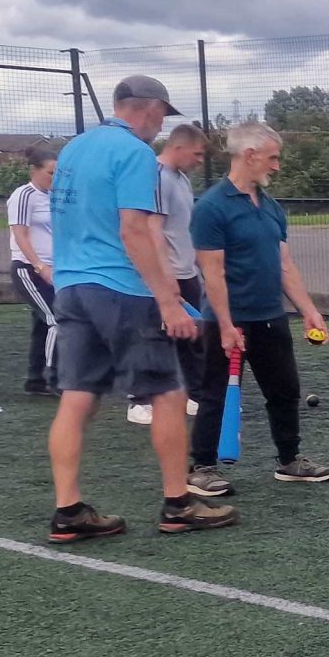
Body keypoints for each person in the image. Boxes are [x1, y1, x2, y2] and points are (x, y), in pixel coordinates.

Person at [44, 75, 235, 541]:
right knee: (168, 394)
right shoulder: (134, 154)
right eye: (160, 116)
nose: (159, 126)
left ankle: (68, 510)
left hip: (71, 286)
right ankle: (178, 505)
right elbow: (135, 230)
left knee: (77, 398)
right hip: (121, 289)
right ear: (150, 109)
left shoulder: (74, 149)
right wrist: (169, 301)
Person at [187, 123, 329, 486]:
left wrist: (308, 309)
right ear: (249, 155)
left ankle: (289, 460)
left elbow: (284, 264)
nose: (277, 166)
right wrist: (224, 325)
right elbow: (213, 272)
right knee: (214, 395)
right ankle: (202, 468)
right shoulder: (210, 208)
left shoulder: (270, 207)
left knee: (285, 390)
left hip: (270, 317)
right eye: (272, 158)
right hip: (228, 321)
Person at [137, 124, 221, 477]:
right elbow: (151, 228)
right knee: (158, 336)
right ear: (180, 147)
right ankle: (140, 400)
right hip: (166, 273)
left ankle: (196, 395)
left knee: (193, 336)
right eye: (198, 154)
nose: (200, 161)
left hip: (186, 272)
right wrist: (165, 274)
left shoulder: (180, 178)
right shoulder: (155, 175)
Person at [6, 146, 59, 396]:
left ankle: (35, 380)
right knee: (56, 320)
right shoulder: (23, 195)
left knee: (42, 324)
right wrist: (40, 266)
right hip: (28, 270)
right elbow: (21, 235)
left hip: (54, 270)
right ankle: (55, 377)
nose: (55, 178)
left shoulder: (54, 196)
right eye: (50, 173)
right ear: (33, 171)